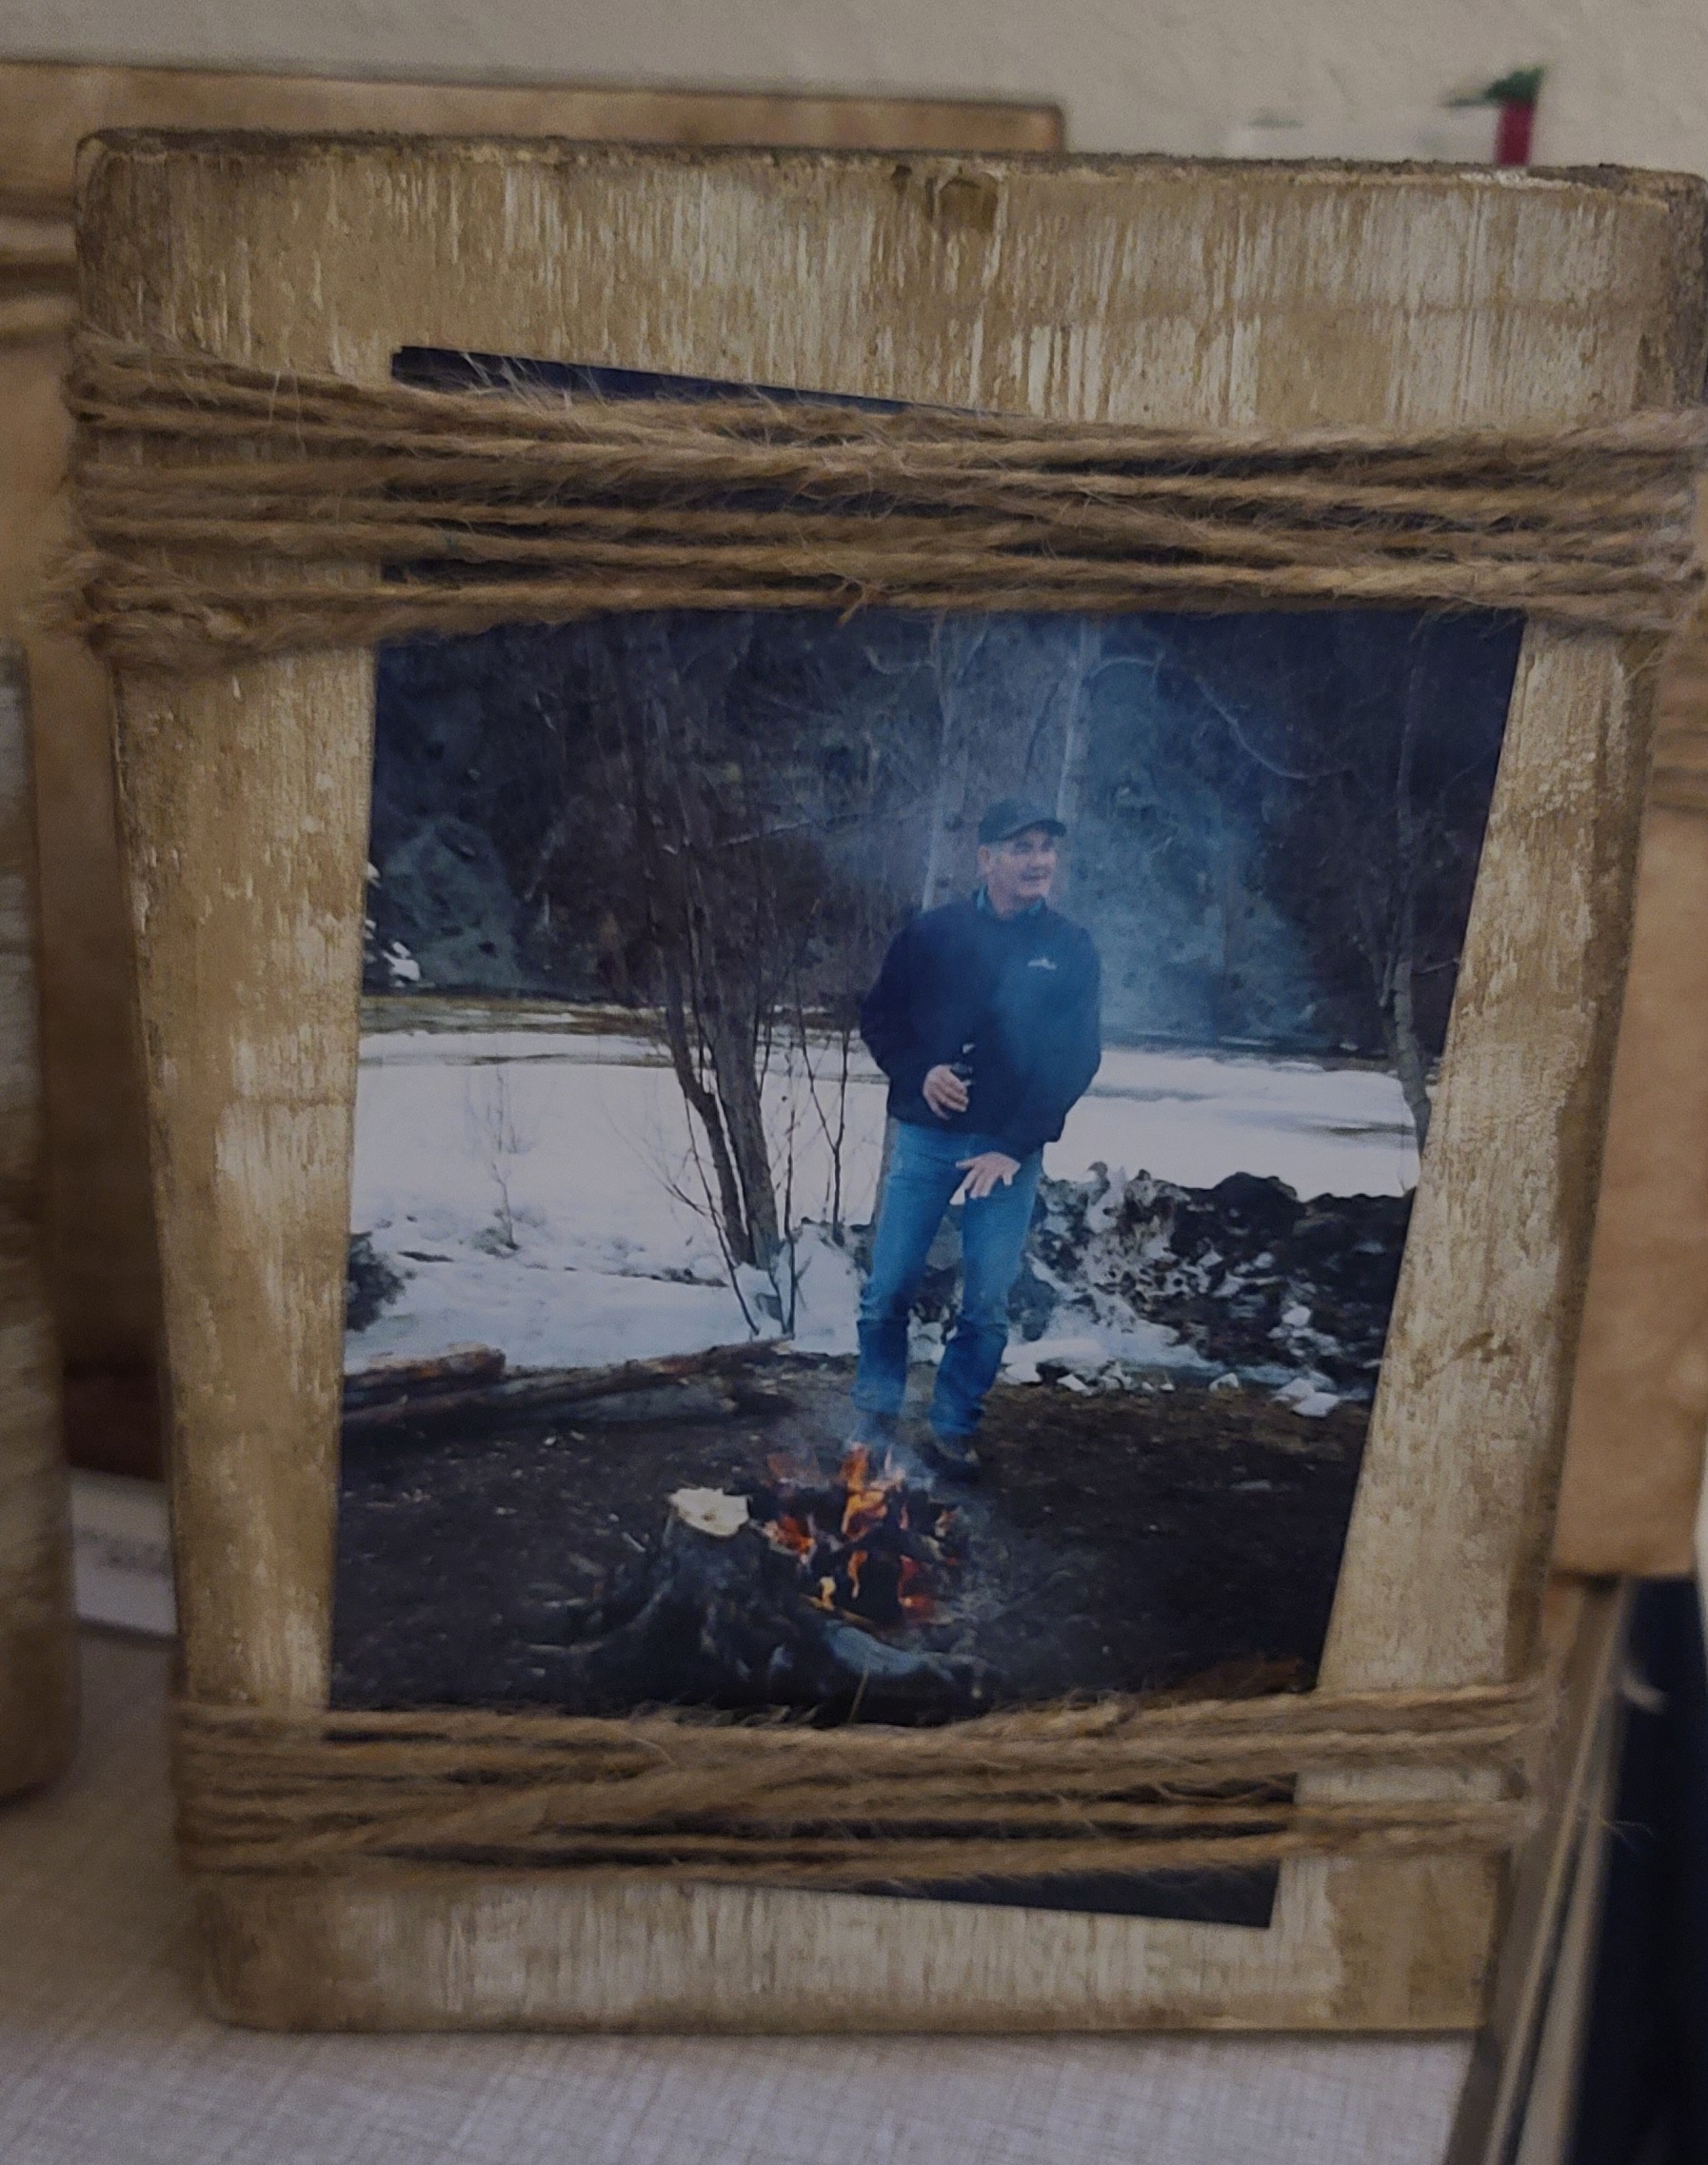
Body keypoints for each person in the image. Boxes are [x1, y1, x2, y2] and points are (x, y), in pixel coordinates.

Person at [853, 797, 1102, 1476]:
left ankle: (953, 1427)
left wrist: (1014, 1145)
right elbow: (879, 1020)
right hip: (927, 1141)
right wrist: (920, 1072)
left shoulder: (1070, 949)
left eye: (1046, 848)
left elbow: (1076, 1059)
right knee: (888, 1288)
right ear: (986, 858)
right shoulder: (931, 934)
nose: (1039, 861)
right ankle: (873, 1420)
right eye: (1022, 848)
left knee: (987, 1302)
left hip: (1007, 1153)